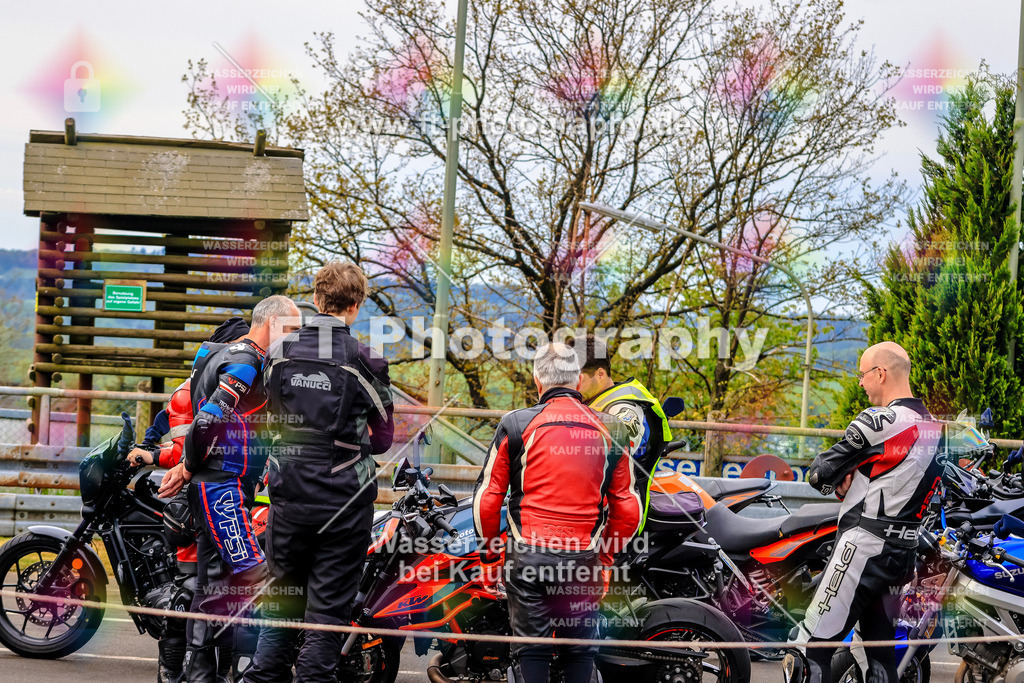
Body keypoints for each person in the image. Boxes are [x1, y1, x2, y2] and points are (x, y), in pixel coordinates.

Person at [243, 262, 395, 682]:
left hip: (287, 496)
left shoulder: (279, 351)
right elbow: (384, 438)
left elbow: (266, 417)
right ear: (356, 305)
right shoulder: (367, 359)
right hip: (344, 504)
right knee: (326, 618)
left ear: (315, 298)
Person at [473, 342, 642, 683]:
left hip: (528, 559)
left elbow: (487, 500)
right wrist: (604, 559)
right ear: (578, 381)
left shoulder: (516, 424)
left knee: (531, 650)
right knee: (578, 652)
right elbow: (628, 509)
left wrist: (490, 558)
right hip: (583, 562)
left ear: (537, 381)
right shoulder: (613, 429)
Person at [783, 342, 944, 683]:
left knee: (807, 650)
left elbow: (820, 473)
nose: (860, 382)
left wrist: (843, 481)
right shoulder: (936, 429)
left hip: (862, 547)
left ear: (880, 373)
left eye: (862, 374)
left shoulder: (880, 420)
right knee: (878, 657)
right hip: (902, 554)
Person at [159, 296, 300, 682]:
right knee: (260, 577)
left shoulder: (219, 353)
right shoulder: (247, 360)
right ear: (272, 324)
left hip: (218, 484)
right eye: (291, 330)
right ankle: (269, 671)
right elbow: (206, 421)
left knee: (215, 588)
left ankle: (205, 675)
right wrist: (188, 466)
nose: (293, 339)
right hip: (221, 487)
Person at [132, 316, 251, 683]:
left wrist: (150, 452)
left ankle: (211, 673)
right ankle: (176, 672)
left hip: (223, 500)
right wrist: (153, 453)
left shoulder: (235, 382)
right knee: (194, 590)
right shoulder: (199, 388)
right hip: (203, 498)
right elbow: (188, 448)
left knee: (218, 593)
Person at [573, 334, 672, 522]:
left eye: (577, 378)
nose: (572, 386)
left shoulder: (625, 410)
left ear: (600, 374)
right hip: (588, 510)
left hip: (615, 520)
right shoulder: (592, 402)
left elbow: (607, 458)